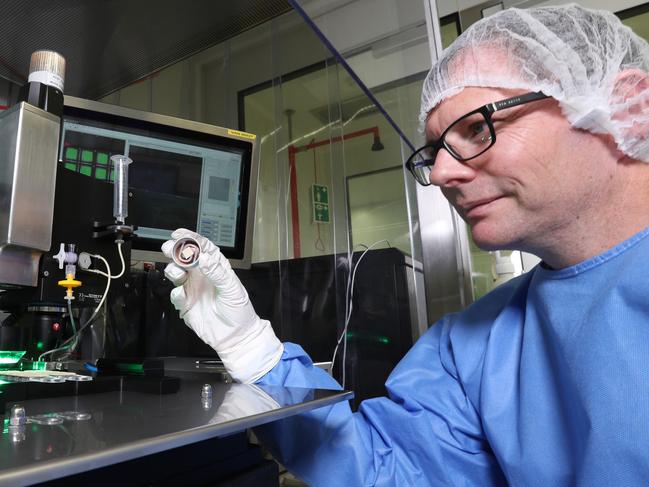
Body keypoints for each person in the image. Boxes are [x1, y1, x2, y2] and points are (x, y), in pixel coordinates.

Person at [162, 4, 649, 486]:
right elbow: (383, 469)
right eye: (434, 152)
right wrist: (255, 351)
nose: (438, 174)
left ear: (626, 106)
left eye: (477, 127)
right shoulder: (476, 342)